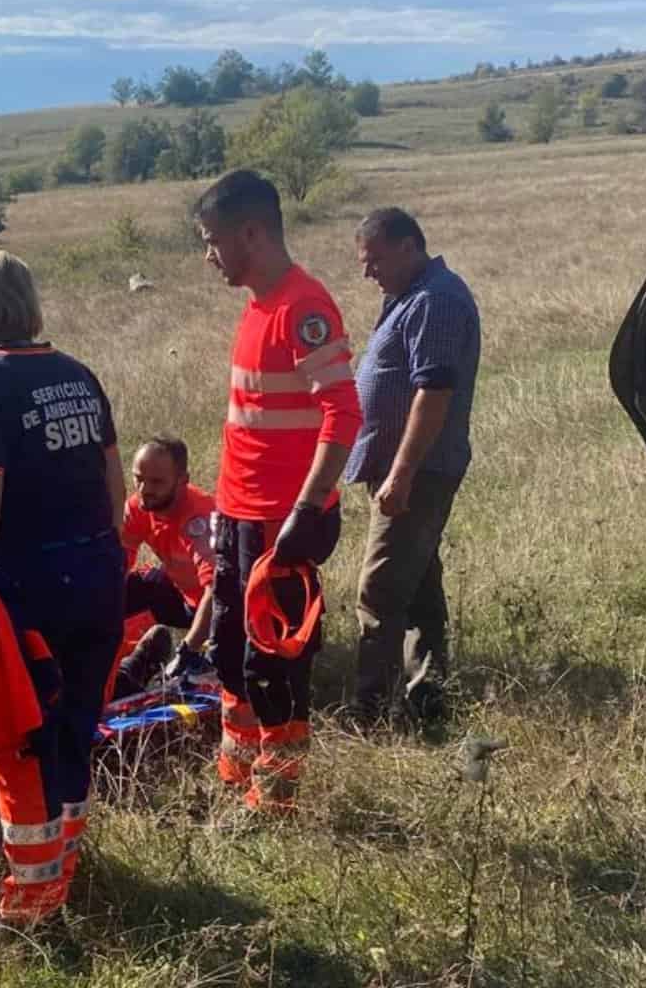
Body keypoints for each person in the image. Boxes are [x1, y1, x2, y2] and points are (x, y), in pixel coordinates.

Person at [0, 248, 125, 926]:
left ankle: (30, 908)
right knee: (75, 730)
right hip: (100, 577)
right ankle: (64, 874)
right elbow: (115, 489)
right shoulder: (78, 374)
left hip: (28, 588)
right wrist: (105, 561)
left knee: (18, 739)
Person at [193, 170, 362, 814]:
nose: (209, 255)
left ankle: (276, 799)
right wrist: (221, 511)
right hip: (239, 516)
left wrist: (304, 510)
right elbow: (247, 425)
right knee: (230, 654)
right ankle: (237, 777)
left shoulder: (304, 309)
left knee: (276, 666)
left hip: (279, 523)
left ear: (252, 233)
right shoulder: (257, 306)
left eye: (213, 241)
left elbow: (343, 415)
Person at [345, 207, 481, 730]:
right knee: (418, 585)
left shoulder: (436, 301)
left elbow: (435, 390)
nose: (367, 272)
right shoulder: (409, 297)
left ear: (408, 246)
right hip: (404, 467)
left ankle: (370, 713)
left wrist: (400, 474)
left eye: (374, 259)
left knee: (378, 591)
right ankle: (429, 696)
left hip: (419, 470)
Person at [115, 436, 220, 693]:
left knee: (205, 674)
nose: (144, 489)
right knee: (115, 587)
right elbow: (118, 563)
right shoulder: (140, 507)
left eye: (157, 482)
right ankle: (133, 659)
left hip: (222, 611)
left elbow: (217, 589)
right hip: (180, 595)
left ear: (183, 479)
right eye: (138, 478)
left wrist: (188, 649)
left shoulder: (199, 520)